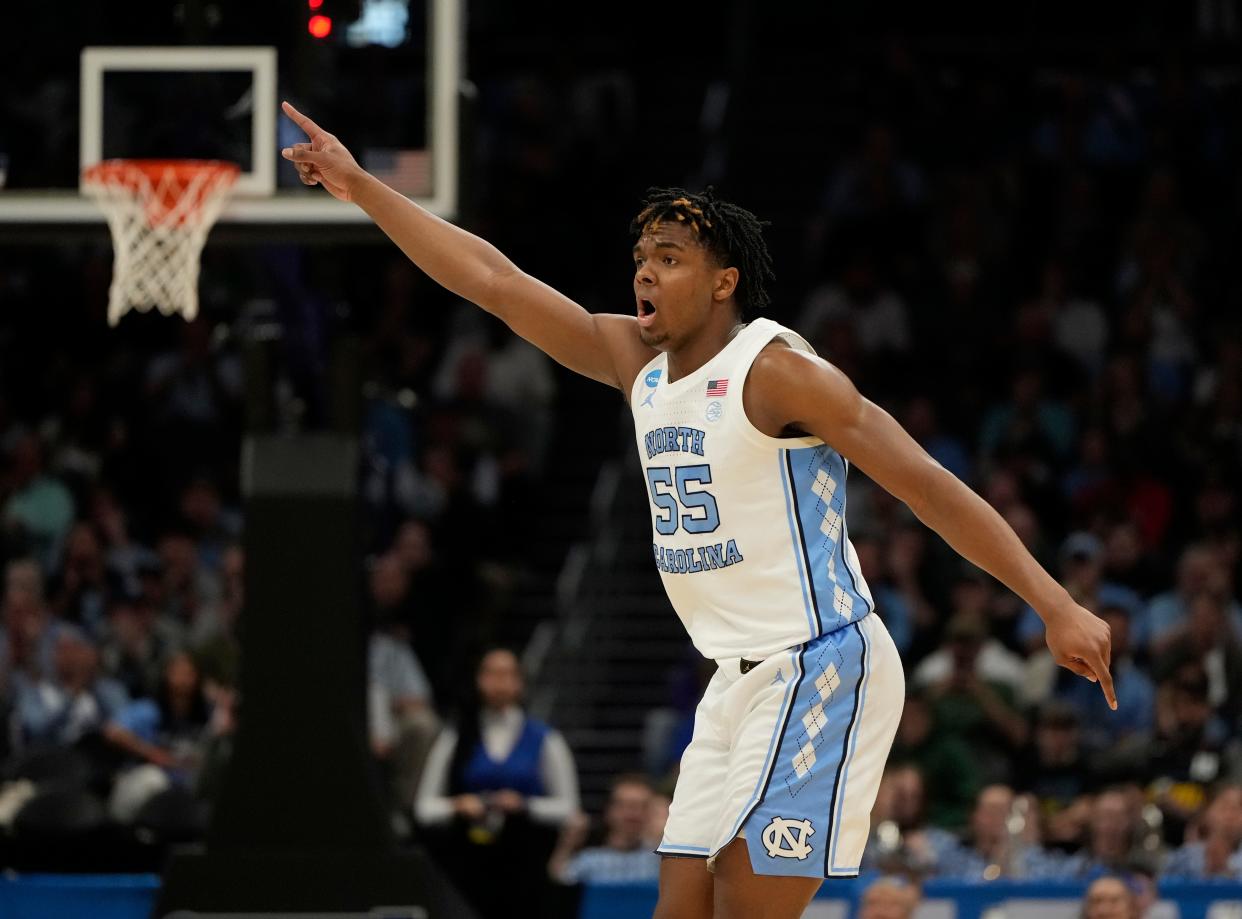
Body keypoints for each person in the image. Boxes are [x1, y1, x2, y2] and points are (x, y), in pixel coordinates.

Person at [282, 101, 1115, 919]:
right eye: (642, 255)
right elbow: (496, 283)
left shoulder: (779, 370)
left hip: (819, 661)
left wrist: (1054, 602)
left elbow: (928, 484)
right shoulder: (634, 359)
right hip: (733, 681)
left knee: (746, 901)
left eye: (671, 256)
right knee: (681, 906)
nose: (645, 270)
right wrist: (365, 190)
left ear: (724, 281)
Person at [415, 648, 578, 918]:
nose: (499, 683)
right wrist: (457, 805)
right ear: (479, 680)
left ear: (520, 682)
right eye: (491, 674)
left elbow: (569, 809)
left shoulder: (545, 739)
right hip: (469, 863)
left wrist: (525, 805)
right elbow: (424, 808)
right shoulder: (458, 736)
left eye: (507, 674)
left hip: (526, 862)